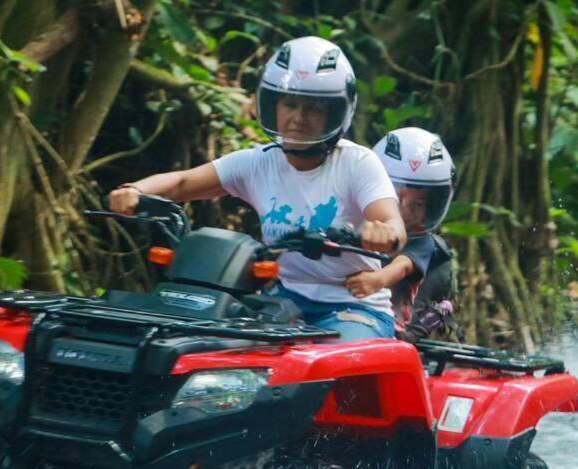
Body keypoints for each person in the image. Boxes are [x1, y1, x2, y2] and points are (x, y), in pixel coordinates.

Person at [108, 36, 405, 341]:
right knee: (207, 347)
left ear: (335, 113)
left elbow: (391, 222)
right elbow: (182, 182)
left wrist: (385, 233)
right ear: (272, 105)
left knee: (330, 364)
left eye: (313, 108)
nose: (298, 118)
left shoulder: (357, 163)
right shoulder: (258, 162)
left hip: (354, 307)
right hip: (282, 302)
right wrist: (134, 191)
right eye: (289, 104)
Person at [345, 127, 458, 342]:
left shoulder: (423, 243)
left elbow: (404, 264)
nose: (405, 211)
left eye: (418, 204)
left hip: (392, 325)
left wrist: (377, 280)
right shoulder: (352, 227)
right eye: (395, 198)